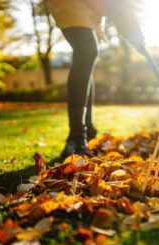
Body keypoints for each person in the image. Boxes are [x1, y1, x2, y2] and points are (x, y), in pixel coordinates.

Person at [46, 0, 145, 158]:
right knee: (87, 51)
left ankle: (88, 132)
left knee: (87, 60)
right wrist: (131, 28)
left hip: (90, 9)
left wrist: (132, 29)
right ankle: (76, 137)